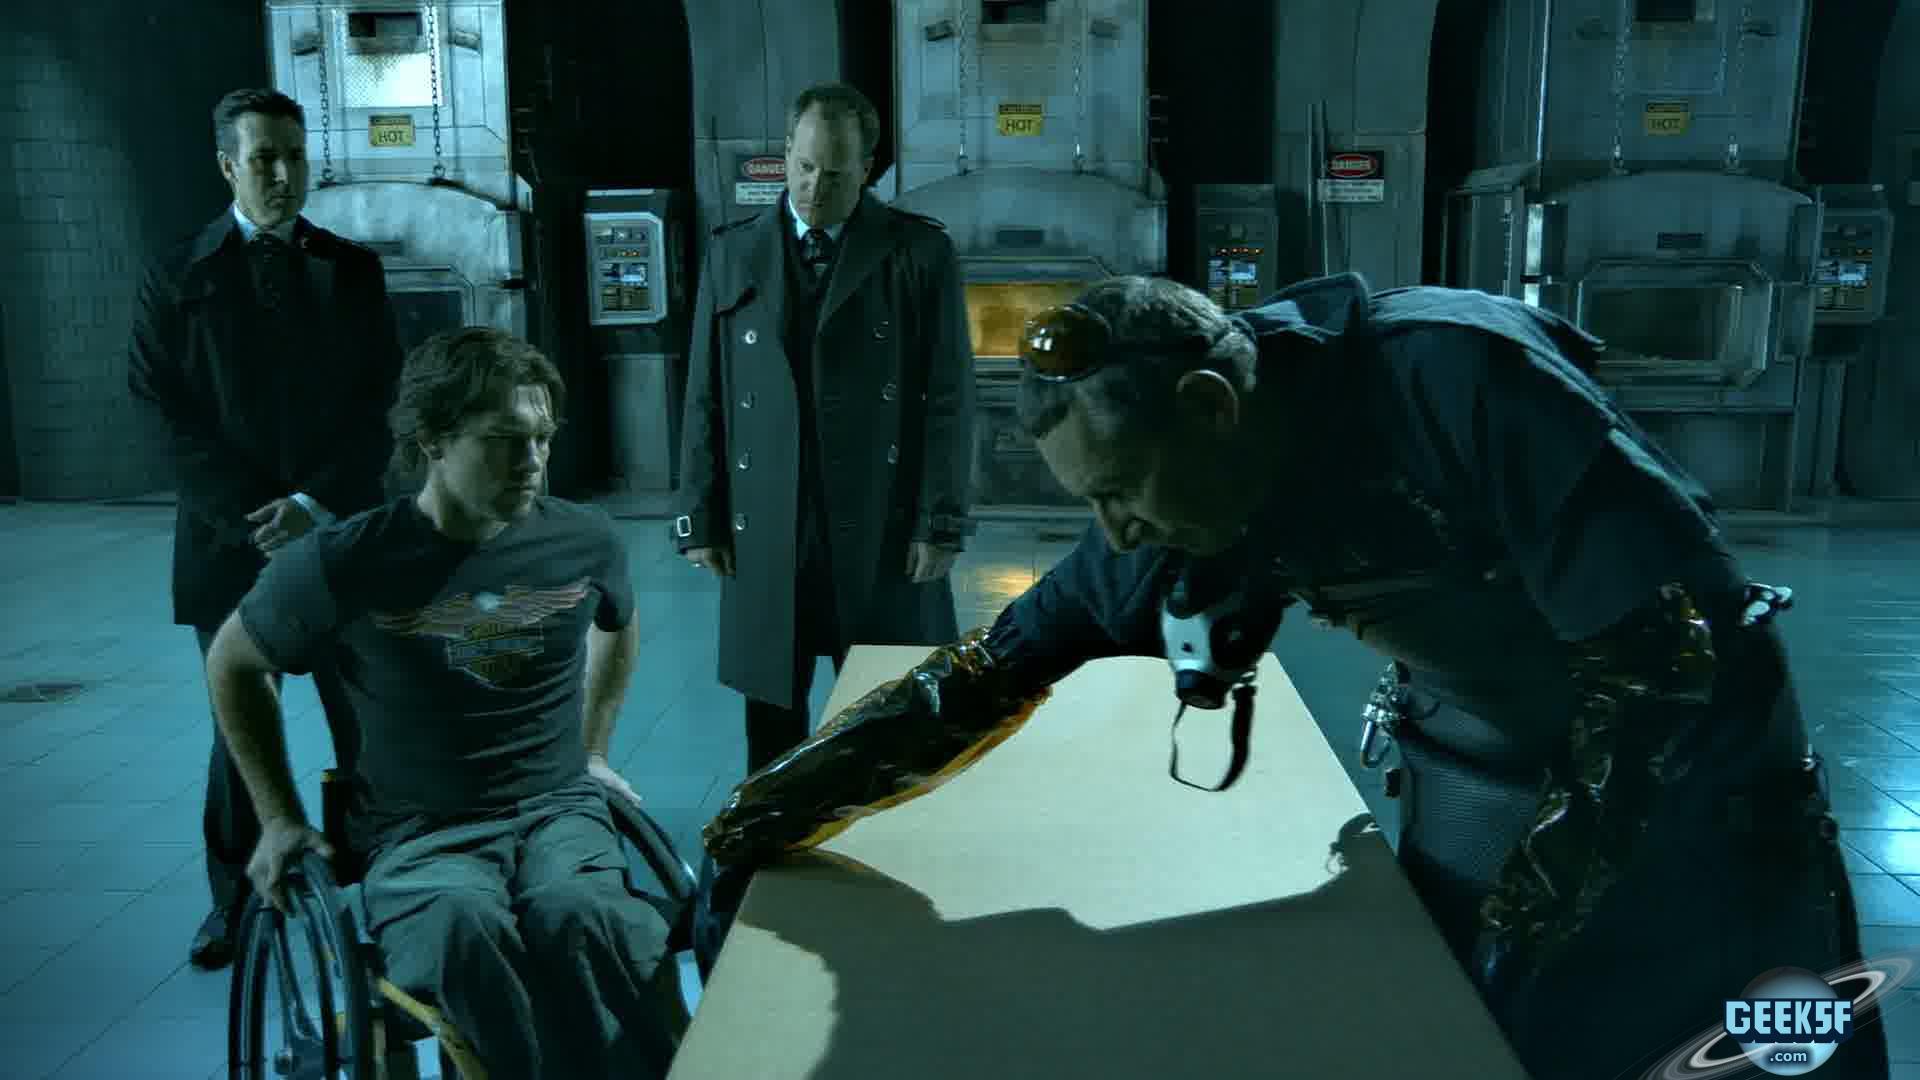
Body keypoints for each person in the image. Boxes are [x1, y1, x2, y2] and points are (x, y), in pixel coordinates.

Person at [702, 273, 1891, 1079]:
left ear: (1212, 405)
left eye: (1119, 494)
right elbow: (983, 676)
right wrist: (767, 811)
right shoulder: (1187, 479)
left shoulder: (1457, 382)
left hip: (1701, 811)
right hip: (1476, 781)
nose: (1115, 535)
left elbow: (1665, 662)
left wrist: (1527, 927)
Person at [204, 328, 681, 1077]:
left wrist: (592, 749)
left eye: (543, 438)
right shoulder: (346, 560)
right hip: (420, 831)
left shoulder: (585, 539)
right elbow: (234, 662)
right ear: (431, 440)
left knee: (593, 919)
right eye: (504, 440)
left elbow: (618, 624)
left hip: (557, 806)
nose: (532, 461)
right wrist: (278, 818)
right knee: (465, 930)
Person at [126, 87, 402, 970]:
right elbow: (159, 411)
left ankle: (382, 879)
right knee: (242, 726)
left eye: (294, 156)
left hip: (339, 536)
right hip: (229, 544)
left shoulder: (350, 271)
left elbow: (385, 400)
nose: (283, 174)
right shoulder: (179, 274)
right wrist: (256, 516)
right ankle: (238, 902)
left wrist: (314, 505)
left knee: (367, 716)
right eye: (263, 159)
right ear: (227, 166)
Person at [675, 81, 977, 775]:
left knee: (886, 720)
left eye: (836, 173)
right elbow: (705, 393)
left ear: (868, 168)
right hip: (767, 519)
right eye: (805, 166)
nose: (814, 187)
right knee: (770, 728)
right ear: (786, 152)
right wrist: (700, 514)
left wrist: (941, 523)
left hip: (881, 519)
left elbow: (948, 399)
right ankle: (769, 836)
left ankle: (883, 836)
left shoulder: (917, 251)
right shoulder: (733, 250)